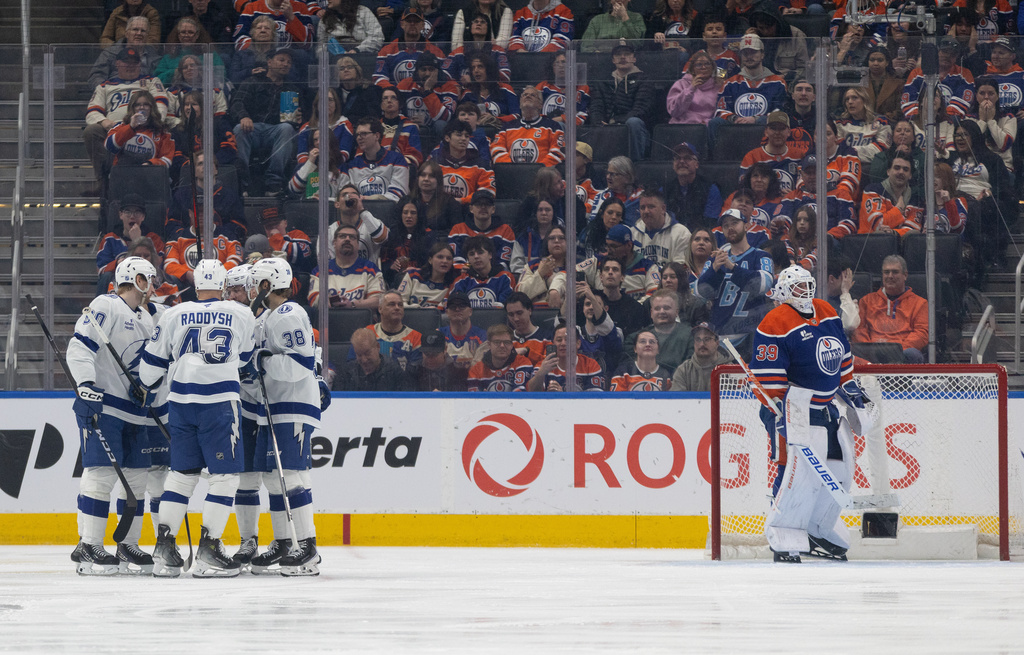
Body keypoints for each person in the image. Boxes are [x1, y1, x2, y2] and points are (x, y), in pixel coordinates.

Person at [139, 259, 257, 577]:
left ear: (194, 281)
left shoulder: (174, 313)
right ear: (222, 285)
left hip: (180, 401)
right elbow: (245, 358)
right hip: (219, 401)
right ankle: (209, 549)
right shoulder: (241, 313)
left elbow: (149, 369)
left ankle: (163, 549)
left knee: (181, 475)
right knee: (225, 478)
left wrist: (147, 386)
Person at [750, 264, 860, 562]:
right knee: (794, 470)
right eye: (798, 288)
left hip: (826, 408)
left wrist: (850, 388)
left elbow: (843, 355)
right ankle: (784, 529)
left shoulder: (825, 310)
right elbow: (768, 378)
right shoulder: (774, 321)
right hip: (791, 408)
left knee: (839, 468)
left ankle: (817, 527)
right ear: (784, 292)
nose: (806, 292)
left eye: (808, 285)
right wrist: (780, 412)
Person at [67, 256, 160, 575]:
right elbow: (79, 347)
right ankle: (90, 543)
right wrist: (86, 384)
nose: (151, 286)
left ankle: (128, 544)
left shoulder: (147, 318)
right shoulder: (106, 305)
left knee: (138, 476)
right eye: (148, 279)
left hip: (135, 410)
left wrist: (145, 387)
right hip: (105, 405)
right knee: (101, 473)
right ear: (136, 279)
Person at [245, 257, 326, 576]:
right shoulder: (267, 317)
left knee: (291, 475)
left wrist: (261, 362)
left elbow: (301, 364)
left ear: (267, 285)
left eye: (255, 282)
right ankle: (283, 543)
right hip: (273, 408)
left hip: (292, 405)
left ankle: (307, 546)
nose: (251, 289)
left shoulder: (289, 314)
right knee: (272, 478)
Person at [83, 47, 169, 196]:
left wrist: (151, 120)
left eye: (134, 63)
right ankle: (104, 181)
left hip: (145, 127)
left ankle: (158, 180)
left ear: (139, 65)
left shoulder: (151, 81)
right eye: (126, 63)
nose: (130, 66)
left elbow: (161, 103)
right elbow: (92, 111)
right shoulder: (105, 86)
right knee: (91, 131)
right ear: (117, 64)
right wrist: (104, 122)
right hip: (115, 128)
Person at [229, 47, 307, 196]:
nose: (286, 64)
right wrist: (243, 116)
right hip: (253, 129)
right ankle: (242, 182)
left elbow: (300, 118)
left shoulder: (292, 89)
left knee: (287, 129)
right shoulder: (252, 81)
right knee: (239, 129)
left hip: (276, 130)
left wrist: (298, 119)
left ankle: (274, 182)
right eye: (282, 60)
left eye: (289, 62)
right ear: (269, 63)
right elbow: (237, 103)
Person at [696, 208, 774, 349]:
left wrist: (732, 267)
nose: (730, 228)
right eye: (725, 225)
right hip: (719, 338)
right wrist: (714, 270)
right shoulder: (715, 259)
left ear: (746, 225)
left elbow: (762, 285)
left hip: (750, 336)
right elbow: (702, 292)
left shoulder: (761, 256)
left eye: (734, 223)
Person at [710, 33, 788, 147]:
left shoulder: (777, 83)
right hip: (736, 131)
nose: (749, 56)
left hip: (764, 131)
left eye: (753, 52)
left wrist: (755, 119)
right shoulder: (730, 83)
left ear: (762, 54)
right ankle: (715, 160)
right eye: (745, 53)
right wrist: (734, 118)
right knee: (714, 123)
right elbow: (721, 110)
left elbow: (780, 112)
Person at [852, 255, 929, 364]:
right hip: (871, 354)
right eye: (886, 272)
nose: (890, 276)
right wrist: (869, 350)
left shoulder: (920, 303)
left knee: (912, 354)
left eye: (895, 272)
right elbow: (859, 329)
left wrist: (896, 351)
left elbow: (921, 333)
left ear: (905, 275)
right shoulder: (867, 301)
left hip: (903, 353)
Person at [589, 43, 655, 161]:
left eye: (627, 54)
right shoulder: (603, 81)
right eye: (618, 55)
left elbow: (641, 109)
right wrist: (599, 122)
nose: (623, 57)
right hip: (608, 126)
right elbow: (596, 106)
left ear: (634, 59)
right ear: (613, 60)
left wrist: (617, 122)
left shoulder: (644, 79)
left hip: (632, 128)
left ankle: (635, 165)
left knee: (633, 122)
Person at [96, 193, 165, 288]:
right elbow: (101, 270)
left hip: (147, 283)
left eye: (137, 212)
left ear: (143, 217)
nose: (132, 216)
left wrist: (138, 241)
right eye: (127, 212)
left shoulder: (154, 239)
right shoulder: (109, 239)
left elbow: (159, 268)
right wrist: (118, 263)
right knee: (106, 276)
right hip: (118, 286)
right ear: (121, 215)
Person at [308, 224, 385, 308]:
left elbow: (379, 300)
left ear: (358, 244)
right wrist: (329, 303)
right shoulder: (321, 270)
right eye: (342, 236)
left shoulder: (370, 268)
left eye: (352, 237)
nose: (347, 239)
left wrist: (352, 305)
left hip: (360, 319)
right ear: (334, 243)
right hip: (330, 318)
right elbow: (313, 298)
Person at [578, 223, 661, 300]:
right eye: (607, 245)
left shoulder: (648, 267)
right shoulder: (597, 261)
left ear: (629, 245)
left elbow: (656, 294)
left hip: (634, 313)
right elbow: (573, 272)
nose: (609, 250)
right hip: (602, 311)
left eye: (613, 246)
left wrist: (637, 308)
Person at [903, 37, 976, 120]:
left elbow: (963, 100)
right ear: (936, 52)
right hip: (920, 120)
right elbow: (908, 99)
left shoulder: (964, 74)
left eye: (953, 54)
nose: (948, 56)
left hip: (950, 120)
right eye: (944, 51)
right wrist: (920, 116)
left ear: (956, 57)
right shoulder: (917, 74)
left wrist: (942, 116)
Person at [340, 118, 412, 201]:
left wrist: (373, 198)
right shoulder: (353, 165)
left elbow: (398, 194)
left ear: (377, 136)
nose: (359, 138)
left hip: (390, 211)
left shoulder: (397, 159)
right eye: (357, 135)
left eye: (364, 134)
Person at [373, 9, 449, 88]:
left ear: (423, 25)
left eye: (416, 21)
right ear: (402, 24)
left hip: (424, 97)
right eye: (409, 21)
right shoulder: (387, 51)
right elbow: (379, 77)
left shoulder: (436, 52)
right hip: (396, 97)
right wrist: (393, 92)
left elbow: (445, 79)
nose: (412, 24)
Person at [491, 86, 565, 166]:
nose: (528, 96)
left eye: (533, 95)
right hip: (512, 176)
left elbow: (558, 151)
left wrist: (540, 169)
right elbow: (496, 149)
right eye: (525, 95)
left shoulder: (553, 126)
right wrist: (510, 168)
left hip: (542, 176)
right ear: (519, 104)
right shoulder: (507, 127)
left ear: (540, 105)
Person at [623, 289, 694, 371]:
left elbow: (690, 370)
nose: (662, 312)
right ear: (651, 313)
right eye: (657, 308)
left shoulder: (690, 335)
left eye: (666, 308)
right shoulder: (633, 340)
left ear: (676, 312)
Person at [740, 110, 807, 195]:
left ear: (789, 132)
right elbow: (744, 188)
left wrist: (793, 195)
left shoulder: (799, 155)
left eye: (781, 128)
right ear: (766, 132)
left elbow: (805, 184)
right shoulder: (752, 157)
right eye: (773, 128)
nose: (777, 132)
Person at [431, 119, 497, 204]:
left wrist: (462, 201)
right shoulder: (435, 163)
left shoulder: (481, 165)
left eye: (466, 136)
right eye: (459, 135)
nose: (463, 139)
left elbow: (488, 192)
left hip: (469, 212)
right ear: (447, 138)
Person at [659, 143, 721, 233]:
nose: (682, 161)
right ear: (673, 165)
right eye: (677, 158)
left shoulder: (710, 189)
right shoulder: (664, 190)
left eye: (687, 158)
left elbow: (710, 223)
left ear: (696, 164)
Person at [857, 151, 923, 236]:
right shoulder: (872, 191)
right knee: (880, 234)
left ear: (910, 175)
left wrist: (893, 233)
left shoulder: (915, 198)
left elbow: (912, 230)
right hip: (870, 244)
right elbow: (878, 225)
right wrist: (899, 209)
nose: (901, 172)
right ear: (888, 171)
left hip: (902, 247)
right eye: (897, 168)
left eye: (905, 169)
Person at [396, 51, 461, 136]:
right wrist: (407, 121)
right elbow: (395, 111)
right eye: (423, 69)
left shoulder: (448, 87)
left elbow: (445, 117)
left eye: (431, 69)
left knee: (440, 124)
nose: (427, 73)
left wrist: (428, 91)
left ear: (438, 71)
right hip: (408, 127)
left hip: (434, 131)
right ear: (417, 71)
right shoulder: (404, 84)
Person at [326, 184, 391, 266]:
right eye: (345, 195)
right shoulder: (328, 231)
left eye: (354, 194)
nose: (350, 197)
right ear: (337, 204)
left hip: (368, 276)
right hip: (340, 276)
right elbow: (325, 264)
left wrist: (361, 210)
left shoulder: (371, 224)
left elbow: (383, 238)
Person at [448, 190, 516, 268]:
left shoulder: (505, 230)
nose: (483, 207)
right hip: (465, 275)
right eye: (478, 204)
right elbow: (457, 261)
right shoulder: (458, 230)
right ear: (471, 209)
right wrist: (471, 268)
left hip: (495, 276)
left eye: (487, 204)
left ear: (493, 209)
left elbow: (503, 263)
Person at [527, 324, 605, 391]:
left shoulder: (591, 365)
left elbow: (595, 400)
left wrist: (563, 396)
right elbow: (530, 392)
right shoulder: (544, 364)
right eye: (559, 340)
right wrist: (541, 373)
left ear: (578, 343)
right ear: (553, 343)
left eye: (567, 339)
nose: (563, 343)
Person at [88, 17, 160, 89]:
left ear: (147, 35)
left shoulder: (154, 56)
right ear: (127, 34)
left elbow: (159, 79)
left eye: (143, 31)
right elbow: (96, 76)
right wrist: (106, 90)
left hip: (144, 94)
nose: (139, 33)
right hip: (114, 93)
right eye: (135, 29)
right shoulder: (110, 53)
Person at [336, 327, 412, 391]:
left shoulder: (395, 372)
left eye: (367, 353)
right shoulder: (346, 374)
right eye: (359, 355)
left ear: (378, 347)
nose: (364, 360)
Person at [866, 118, 925, 199]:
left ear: (913, 138)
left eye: (907, 131)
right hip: (886, 197)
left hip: (914, 198)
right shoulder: (882, 155)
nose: (902, 133)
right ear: (893, 136)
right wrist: (895, 155)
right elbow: (874, 177)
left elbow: (924, 183)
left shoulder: (922, 157)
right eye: (898, 130)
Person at [630, 189, 691, 268]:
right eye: (642, 207)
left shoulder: (681, 234)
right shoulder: (631, 234)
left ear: (663, 208)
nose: (646, 211)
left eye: (651, 207)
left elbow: (679, 271)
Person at [450, 235, 516, 308]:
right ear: (468, 258)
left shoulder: (505, 278)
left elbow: (506, 308)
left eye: (480, 252)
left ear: (490, 255)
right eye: (471, 254)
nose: (476, 256)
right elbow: (450, 306)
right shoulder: (461, 281)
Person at [968, 76, 1017, 173]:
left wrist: (990, 121)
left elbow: (1004, 144)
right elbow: (970, 145)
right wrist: (982, 120)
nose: (986, 97)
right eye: (982, 93)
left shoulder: (1009, 118)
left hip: (1003, 168)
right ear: (976, 96)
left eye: (991, 93)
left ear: (997, 96)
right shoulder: (968, 118)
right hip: (976, 167)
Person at [382, 200, 434, 289]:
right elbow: (383, 261)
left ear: (419, 216)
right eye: (405, 212)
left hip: (421, 280)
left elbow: (432, 263)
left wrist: (418, 270)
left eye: (413, 213)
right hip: (395, 279)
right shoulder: (393, 234)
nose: (408, 216)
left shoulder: (429, 235)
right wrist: (391, 265)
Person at [467, 323, 535, 390]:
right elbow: (474, 399)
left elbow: (519, 395)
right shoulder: (476, 370)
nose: (502, 346)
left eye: (506, 342)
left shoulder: (522, 363)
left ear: (512, 345)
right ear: (489, 345)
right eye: (497, 342)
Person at [836, 86, 892, 166]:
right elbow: (838, 151)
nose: (850, 102)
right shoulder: (840, 124)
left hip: (873, 167)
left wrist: (851, 151)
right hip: (847, 166)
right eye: (847, 99)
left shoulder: (881, 121)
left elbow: (881, 150)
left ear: (864, 100)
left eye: (854, 98)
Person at [595, 257, 648, 340]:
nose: (610, 272)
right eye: (606, 269)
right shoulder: (591, 303)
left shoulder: (634, 307)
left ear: (622, 277)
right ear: (601, 276)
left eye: (615, 269)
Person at [459, 54, 520, 125]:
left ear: (489, 69)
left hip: (502, 131)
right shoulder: (468, 93)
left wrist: (495, 119)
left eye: (480, 66)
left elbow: (516, 116)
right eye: (473, 68)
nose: (476, 70)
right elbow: (460, 119)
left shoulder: (505, 89)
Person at [405, 160, 462, 235]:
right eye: (423, 175)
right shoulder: (406, 200)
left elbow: (456, 231)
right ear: (418, 178)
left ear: (438, 180)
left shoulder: (450, 203)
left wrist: (432, 234)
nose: (426, 179)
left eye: (431, 176)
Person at [515, 226, 568, 306]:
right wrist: (539, 273)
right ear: (546, 242)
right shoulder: (533, 266)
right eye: (552, 238)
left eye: (561, 238)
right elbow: (519, 295)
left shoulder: (576, 266)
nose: (557, 241)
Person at [670, 321, 729, 392]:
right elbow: (677, 400)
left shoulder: (730, 370)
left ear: (717, 343)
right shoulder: (684, 370)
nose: (702, 344)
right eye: (698, 339)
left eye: (707, 339)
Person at [234, 0, 315, 51]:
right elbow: (239, 41)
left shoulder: (300, 8)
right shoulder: (252, 8)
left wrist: (291, 17)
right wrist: (260, 47)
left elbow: (308, 44)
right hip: (258, 55)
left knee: (302, 55)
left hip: (290, 59)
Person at [536, 51, 591, 126]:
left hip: (570, 130)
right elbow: (533, 111)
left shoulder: (582, 88)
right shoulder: (543, 86)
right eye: (557, 63)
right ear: (552, 67)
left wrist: (562, 119)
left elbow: (582, 117)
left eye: (564, 62)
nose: (561, 66)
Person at [666, 50, 721, 126]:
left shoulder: (719, 86)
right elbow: (674, 111)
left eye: (707, 64)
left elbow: (722, 112)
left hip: (708, 127)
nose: (703, 67)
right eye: (699, 65)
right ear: (692, 69)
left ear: (713, 67)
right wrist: (690, 89)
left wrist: (708, 122)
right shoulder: (681, 84)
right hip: (684, 126)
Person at [587, 155, 643, 226]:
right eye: (607, 173)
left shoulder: (642, 198)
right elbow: (592, 226)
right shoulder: (600, 197)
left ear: (627, 177)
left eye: (613, 174)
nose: (608, 177)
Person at [608, 328, 672, 391]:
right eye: (643, 341)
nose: (648, 344)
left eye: (652, 342)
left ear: (658, 350)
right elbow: (618, 400)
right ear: (635, 349)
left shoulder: (666, 375)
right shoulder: (624, 372)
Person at [288, 128, 344, 199]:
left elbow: (344, 197)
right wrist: (310, 162)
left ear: (331, 141)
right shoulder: (305, 166)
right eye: (315, 140)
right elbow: (294, 189)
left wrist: (325, 200)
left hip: (332, 208)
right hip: (308, 207)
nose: (318, 142)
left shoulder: (341, 167)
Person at [257, 203, 314, 273]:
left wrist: (276, 239)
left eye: (276, 224)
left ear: (285, 223)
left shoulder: (298, 235)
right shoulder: (261, 242)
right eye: (269, 226)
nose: (273, 228)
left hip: (295, 278)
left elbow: (301, 257)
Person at [398, 241, 457, 307]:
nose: (445, 261)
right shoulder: (413, 274)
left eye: (449, 258)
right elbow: (399, 303)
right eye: (440, 257)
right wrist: (417, 309)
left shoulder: (453, 284)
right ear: (430, 260)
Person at [380, 86, 425, 168]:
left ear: (399, 103)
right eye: (385, 98)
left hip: (399, 170)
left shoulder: (411, 127)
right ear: (381, 105)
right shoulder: (373, 127)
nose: (389, 101)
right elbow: (361, 153)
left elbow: (414, 155)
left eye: (393, 98)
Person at [318, 0, 385, 53]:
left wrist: (357, 50)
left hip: (361, 56)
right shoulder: (325, 19)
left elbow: (377, 37)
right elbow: (320, 46)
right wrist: (334, 52)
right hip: (335, 61)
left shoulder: (364, 12)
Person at [440, 291, 487, 367]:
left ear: (470, 311)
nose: (457, 309)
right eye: (453, 307)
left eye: (462, 306)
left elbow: (482, 369)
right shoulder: (439, 335)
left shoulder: (483, 336)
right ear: (447, 312)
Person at [507, 0, 575, 52]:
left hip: (550, 64)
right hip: (523, 64)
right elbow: (514, 39)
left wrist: (539, 57)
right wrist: (522, 53)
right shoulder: (521, 14)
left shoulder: (563, 11)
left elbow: (562, 41)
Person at [336, 56, 383, 124]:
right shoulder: (334, 92)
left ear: (357, 71)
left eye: (350, 67)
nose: (346, 70)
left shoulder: (369, 90)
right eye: (341, 68)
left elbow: (373, 117)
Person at [863, 46, 903, 123]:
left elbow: (900, 109)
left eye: (880, 60)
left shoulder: (898, 83)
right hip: (864, 124)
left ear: (887, 63)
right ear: (868, 62)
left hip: (889, 124)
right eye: (872, 60)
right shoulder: (860, 82)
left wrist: (890, 116)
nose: (875, 63)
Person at [581, 0, 645, 47]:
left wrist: (624, 16)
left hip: (628, 59)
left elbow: (638, 43)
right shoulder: (597, 20)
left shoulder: (636, 18)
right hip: (602, 59)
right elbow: (586, 46)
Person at [824, 255, 860, 335]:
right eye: (846, 277)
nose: (849, 281)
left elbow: (850, 325)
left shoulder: (850, 298)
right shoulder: (815, 296)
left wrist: (845, 292)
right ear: (832, 279)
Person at [682, 227, 713, 292]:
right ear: (690, 244)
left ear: (713, 246)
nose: (701, 243)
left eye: (706, 240)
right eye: (697, 239)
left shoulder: (719, 270)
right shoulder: (681, 271)